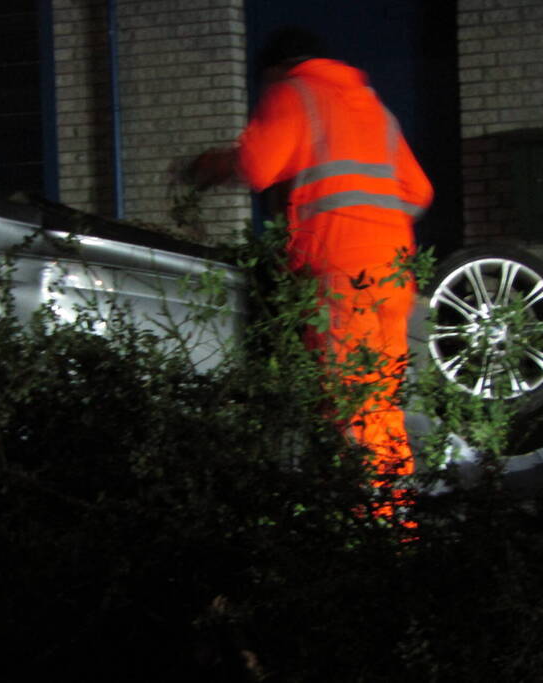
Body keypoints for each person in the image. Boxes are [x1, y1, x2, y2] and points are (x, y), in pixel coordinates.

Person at [183, 28, 433, 517]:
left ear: (275, 69)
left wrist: (207, 166)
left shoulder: (293, 91)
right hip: (394, 276)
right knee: (380, 406)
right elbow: (418, 191)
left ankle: (362, 543)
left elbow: (258, 165)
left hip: (342, 273)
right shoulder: (374, 108)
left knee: (349, 408)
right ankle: (396, 534)